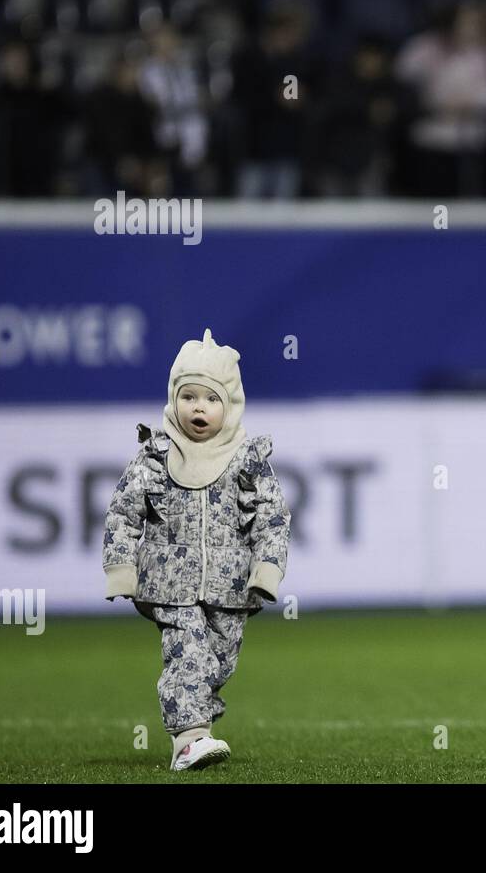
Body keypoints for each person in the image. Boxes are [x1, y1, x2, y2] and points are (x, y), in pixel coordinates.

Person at [102, 328, 290, 771]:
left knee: (218, 663)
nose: (198, 407)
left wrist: (267, 569)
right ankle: (190, 740)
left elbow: (273, 516)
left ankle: (192, 734)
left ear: (231, 405)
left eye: (210, 398)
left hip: (231, 586)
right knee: (189, 653)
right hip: (168, 583)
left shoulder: (247, 460)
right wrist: (121, 569)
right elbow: (123, 513)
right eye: (188, 397)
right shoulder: (156, 456)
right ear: (173, 400)